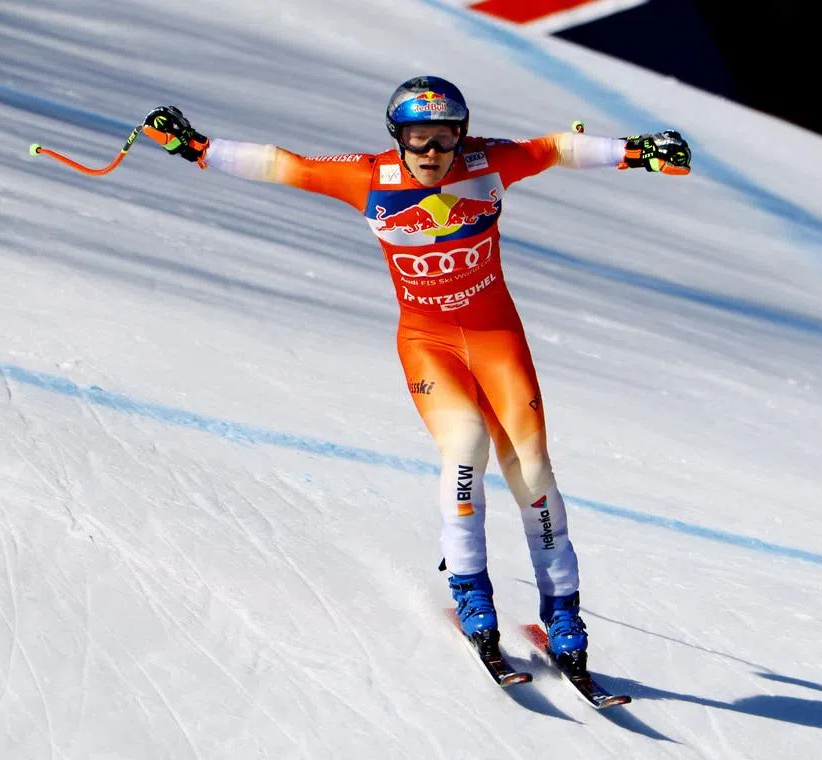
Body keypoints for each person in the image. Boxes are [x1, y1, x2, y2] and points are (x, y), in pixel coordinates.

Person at [141, 76, 691, 672]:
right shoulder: (370, 178)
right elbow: (283, 165)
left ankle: (563, 613)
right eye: (418, 140)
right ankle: (471, 591)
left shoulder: (487, 162)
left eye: (445, 140)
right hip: (429, 343)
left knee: (532, 469)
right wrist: (196, 148)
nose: (432, 153)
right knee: (466, 449)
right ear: (397, 138)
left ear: (463, 135)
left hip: (497, 339)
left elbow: (556, 148)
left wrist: (636, 152)